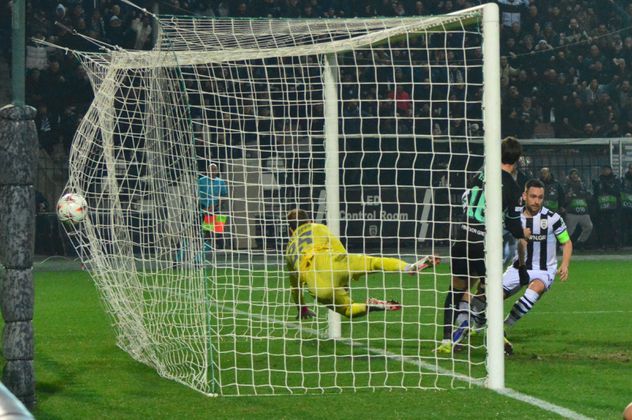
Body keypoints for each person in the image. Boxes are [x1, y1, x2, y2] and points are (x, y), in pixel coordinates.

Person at [437, 137, 530, 354]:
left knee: (456, 290)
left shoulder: (480, 175)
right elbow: (513, 224)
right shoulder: (513, 188)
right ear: (517, 159)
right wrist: (523, 233)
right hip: (484, 245)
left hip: (462, 238)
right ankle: (498, 338)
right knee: (491, 293)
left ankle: (446, 339)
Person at [285, 209, 439, 319]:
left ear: (291, 230)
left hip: (317, 282)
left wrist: (302, 309)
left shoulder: (289, 249)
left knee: (347, 310)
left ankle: (371, 306)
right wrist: (346, 274)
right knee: (375, 262)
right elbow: (339, 249)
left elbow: (295, 287)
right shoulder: (318, 227)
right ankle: (408, 267)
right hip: (334, 261)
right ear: (310, 221)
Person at [501, 179, 573, 355]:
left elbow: (566, 242)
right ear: (524, 195)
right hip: (518, 267)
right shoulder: (513, 216)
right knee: (492, 297)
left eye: (540, 197)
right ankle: (473, 327)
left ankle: (504, 327)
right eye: (533, 196)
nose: (536, 201)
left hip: (544, 270)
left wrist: (565, 264)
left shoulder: (552, 218)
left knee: (535, 290)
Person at [198, 162, 229, 250]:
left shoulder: (221, 182)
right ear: (207, 170)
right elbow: (197, 195)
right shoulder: (201, 181)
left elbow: (224, 195)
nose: (212, 171)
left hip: (217, 207)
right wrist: (205, 207)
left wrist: (216, 206)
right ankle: (206, 246)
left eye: (214, 169)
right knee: (206, 230)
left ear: (217, 171)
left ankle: (220, 248)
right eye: (210, 169)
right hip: (204, 208)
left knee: (218, 231)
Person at [564, 169, 593, 249]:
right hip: (572, 211)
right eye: (573, 174)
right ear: (570, 176)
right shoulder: (567, 186)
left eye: (576, 174)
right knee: (569, 231)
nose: (575, 176)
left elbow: (588, 196)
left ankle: (580, 242)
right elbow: (564, 198)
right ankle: (563, 245)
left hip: (583, 211)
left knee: (589, 226)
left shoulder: (583, 185)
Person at [593, 165, 620, 250]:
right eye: (604, 170)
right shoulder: (599, 181)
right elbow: (596, 194)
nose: (605, 171)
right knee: (603, 227)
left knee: (614, 226)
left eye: (607, 170)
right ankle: (603, 244)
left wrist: (607, 187)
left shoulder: (615, 180)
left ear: (610, 170)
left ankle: (616, 243)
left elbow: (617, 192)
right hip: (602, 208)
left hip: (613, 207)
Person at [621, 164, 632, 246]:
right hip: (627, 205)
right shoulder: (624, 179)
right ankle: (627, 241)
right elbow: (621, 190)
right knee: (627, 224)